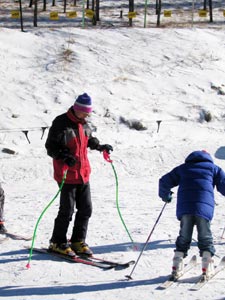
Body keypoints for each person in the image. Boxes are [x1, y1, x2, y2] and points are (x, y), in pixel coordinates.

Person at [45, 93, 113, 257]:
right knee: (67, 210)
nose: (87, 115)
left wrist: (100, 146)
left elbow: (89, 140)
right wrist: (64, 156)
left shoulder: (84, 124)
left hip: (83, 173)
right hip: (67, 174)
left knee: (86, 209)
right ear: (77, 109)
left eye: (88, 112)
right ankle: (57, 242)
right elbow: (50, 147)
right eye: (85, 112)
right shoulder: (61, 123)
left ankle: (77, 240)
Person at [158, 150, 225, 277]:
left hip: (185, 207)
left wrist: (165, 195)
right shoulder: (213, 168)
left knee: (184, 236)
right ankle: (207, 264)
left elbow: (164, 181)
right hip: (204, 209)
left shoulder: (183, 168)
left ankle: (177, 263)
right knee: (205, 236)